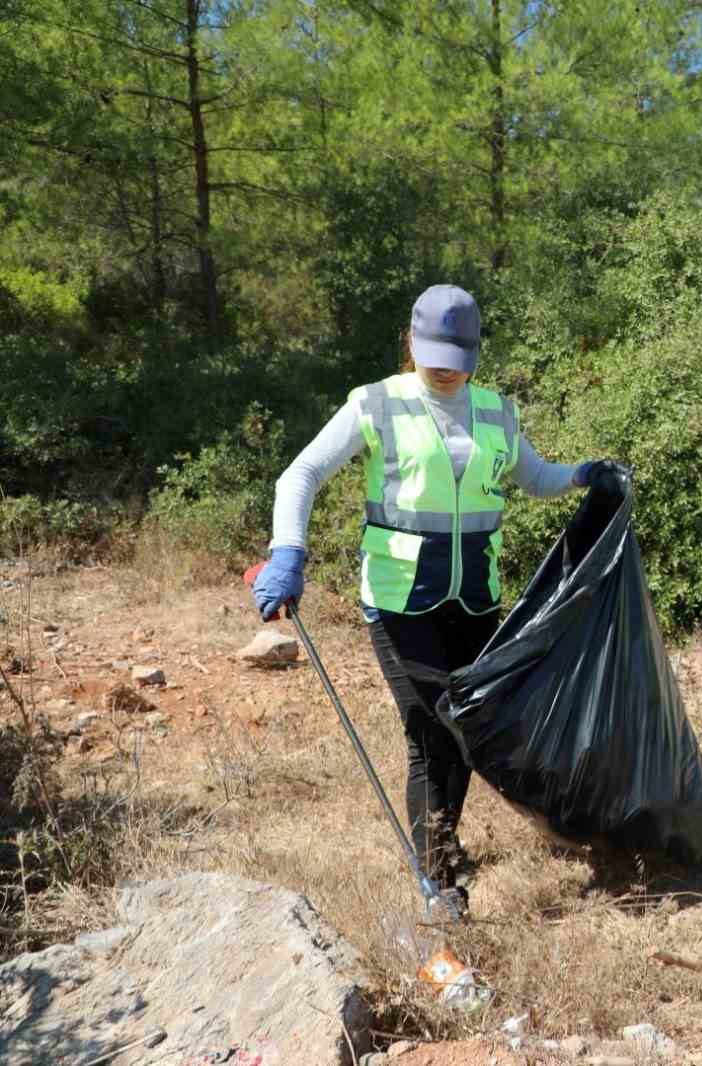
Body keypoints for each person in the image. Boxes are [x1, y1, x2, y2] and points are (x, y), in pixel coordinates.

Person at [249, 284, 608, 913]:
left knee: (465, 725)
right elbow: (300, 475)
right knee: (429, 730)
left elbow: (535, 477)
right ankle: (439, 882)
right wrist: (288, 551)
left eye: (455, 354)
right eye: (430, 351)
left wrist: (581, 476)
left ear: (475, 352)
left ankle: (442, 844)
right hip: (398, 598)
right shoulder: (376, 403)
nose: (441, 366)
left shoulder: (497, 412)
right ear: (410, 343)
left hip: (474, 598)